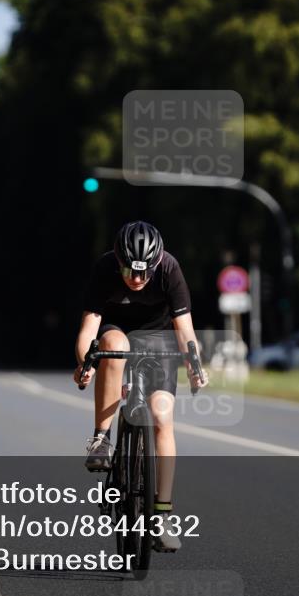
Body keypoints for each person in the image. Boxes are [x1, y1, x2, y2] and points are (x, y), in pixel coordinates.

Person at [73, 221, 207, 552]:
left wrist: (194, 365)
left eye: (143, 272)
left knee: (162, 417)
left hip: (158, 337)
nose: (135, 278)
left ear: (156, 264)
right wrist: (85, 364)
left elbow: (184, 330)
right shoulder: (104, 269)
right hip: (116, 330)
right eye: (128, 271)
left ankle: (162, 515)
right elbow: (89, 328)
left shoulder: (170, 269)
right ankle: (101, 440)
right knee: (114, 345)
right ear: (118, 262)